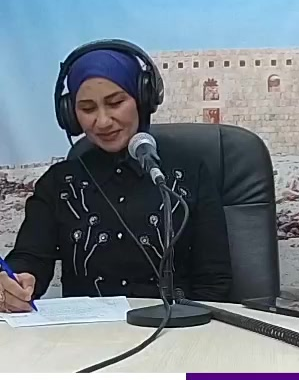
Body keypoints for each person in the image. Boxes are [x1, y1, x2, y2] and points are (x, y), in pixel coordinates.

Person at [0, 41, 232, 312]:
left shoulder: (189, 173)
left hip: (178, 329)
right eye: (87, 109)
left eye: (116, 103)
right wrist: (16, 283)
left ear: (142, 99)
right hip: (87, 334)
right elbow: (30, 258)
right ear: (70, 115)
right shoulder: (58, 184)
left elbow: (214, 282)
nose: (103, 121)